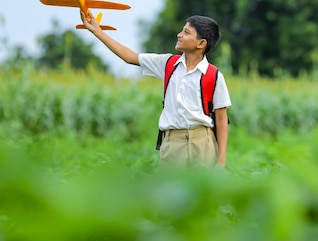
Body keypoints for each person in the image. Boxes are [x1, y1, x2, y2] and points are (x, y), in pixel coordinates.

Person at [79, 11, 231, 168]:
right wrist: (97, 31)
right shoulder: (167, 64)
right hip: (172, 141)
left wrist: (221, 160)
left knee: (203, 192)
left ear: (201, 43)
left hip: (203, 142)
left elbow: (221, 119)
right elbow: (129, 57)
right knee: (168, 191)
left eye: (186, 32)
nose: (179, 35)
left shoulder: (214, 75)